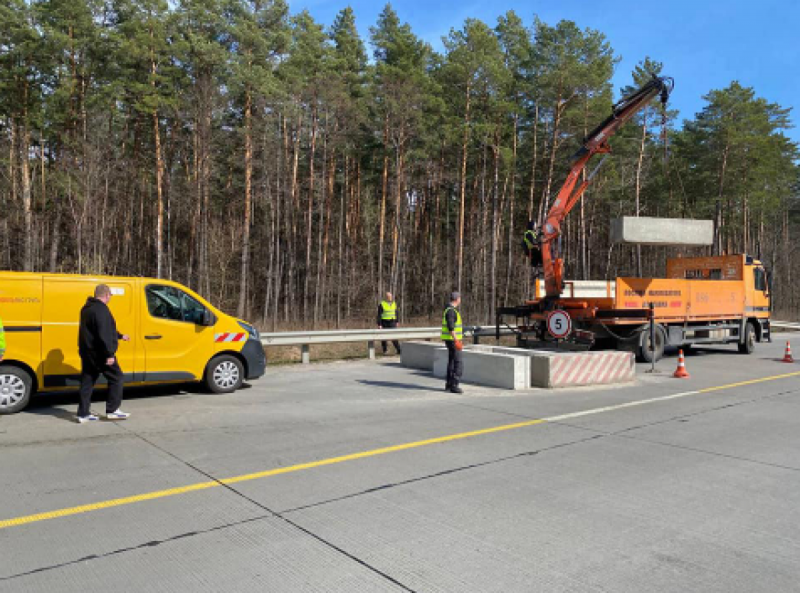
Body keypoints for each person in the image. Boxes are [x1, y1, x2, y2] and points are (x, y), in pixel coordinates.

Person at [77, 284, 131, 423]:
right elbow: (103, 333)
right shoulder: (101, 310)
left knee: (87, 382)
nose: (110, 298)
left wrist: (119, 336)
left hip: (88, 352)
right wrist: (109, 354)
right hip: (100, 353)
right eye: (110, 296)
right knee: (117, 378)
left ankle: (83, 414)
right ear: (106, 295)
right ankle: (113, 410)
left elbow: (96, 330)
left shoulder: (86, 308)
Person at [441, 292, 463, 394]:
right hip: (453, 340)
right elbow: (451, 327)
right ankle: (454, 384)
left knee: (452, 362)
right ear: (457, 299)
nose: (460, 300)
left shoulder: (448, 310)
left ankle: (449, 384)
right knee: (458, 362)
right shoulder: (451, 311)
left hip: (449, 340)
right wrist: (456, 340)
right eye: (459, 298)